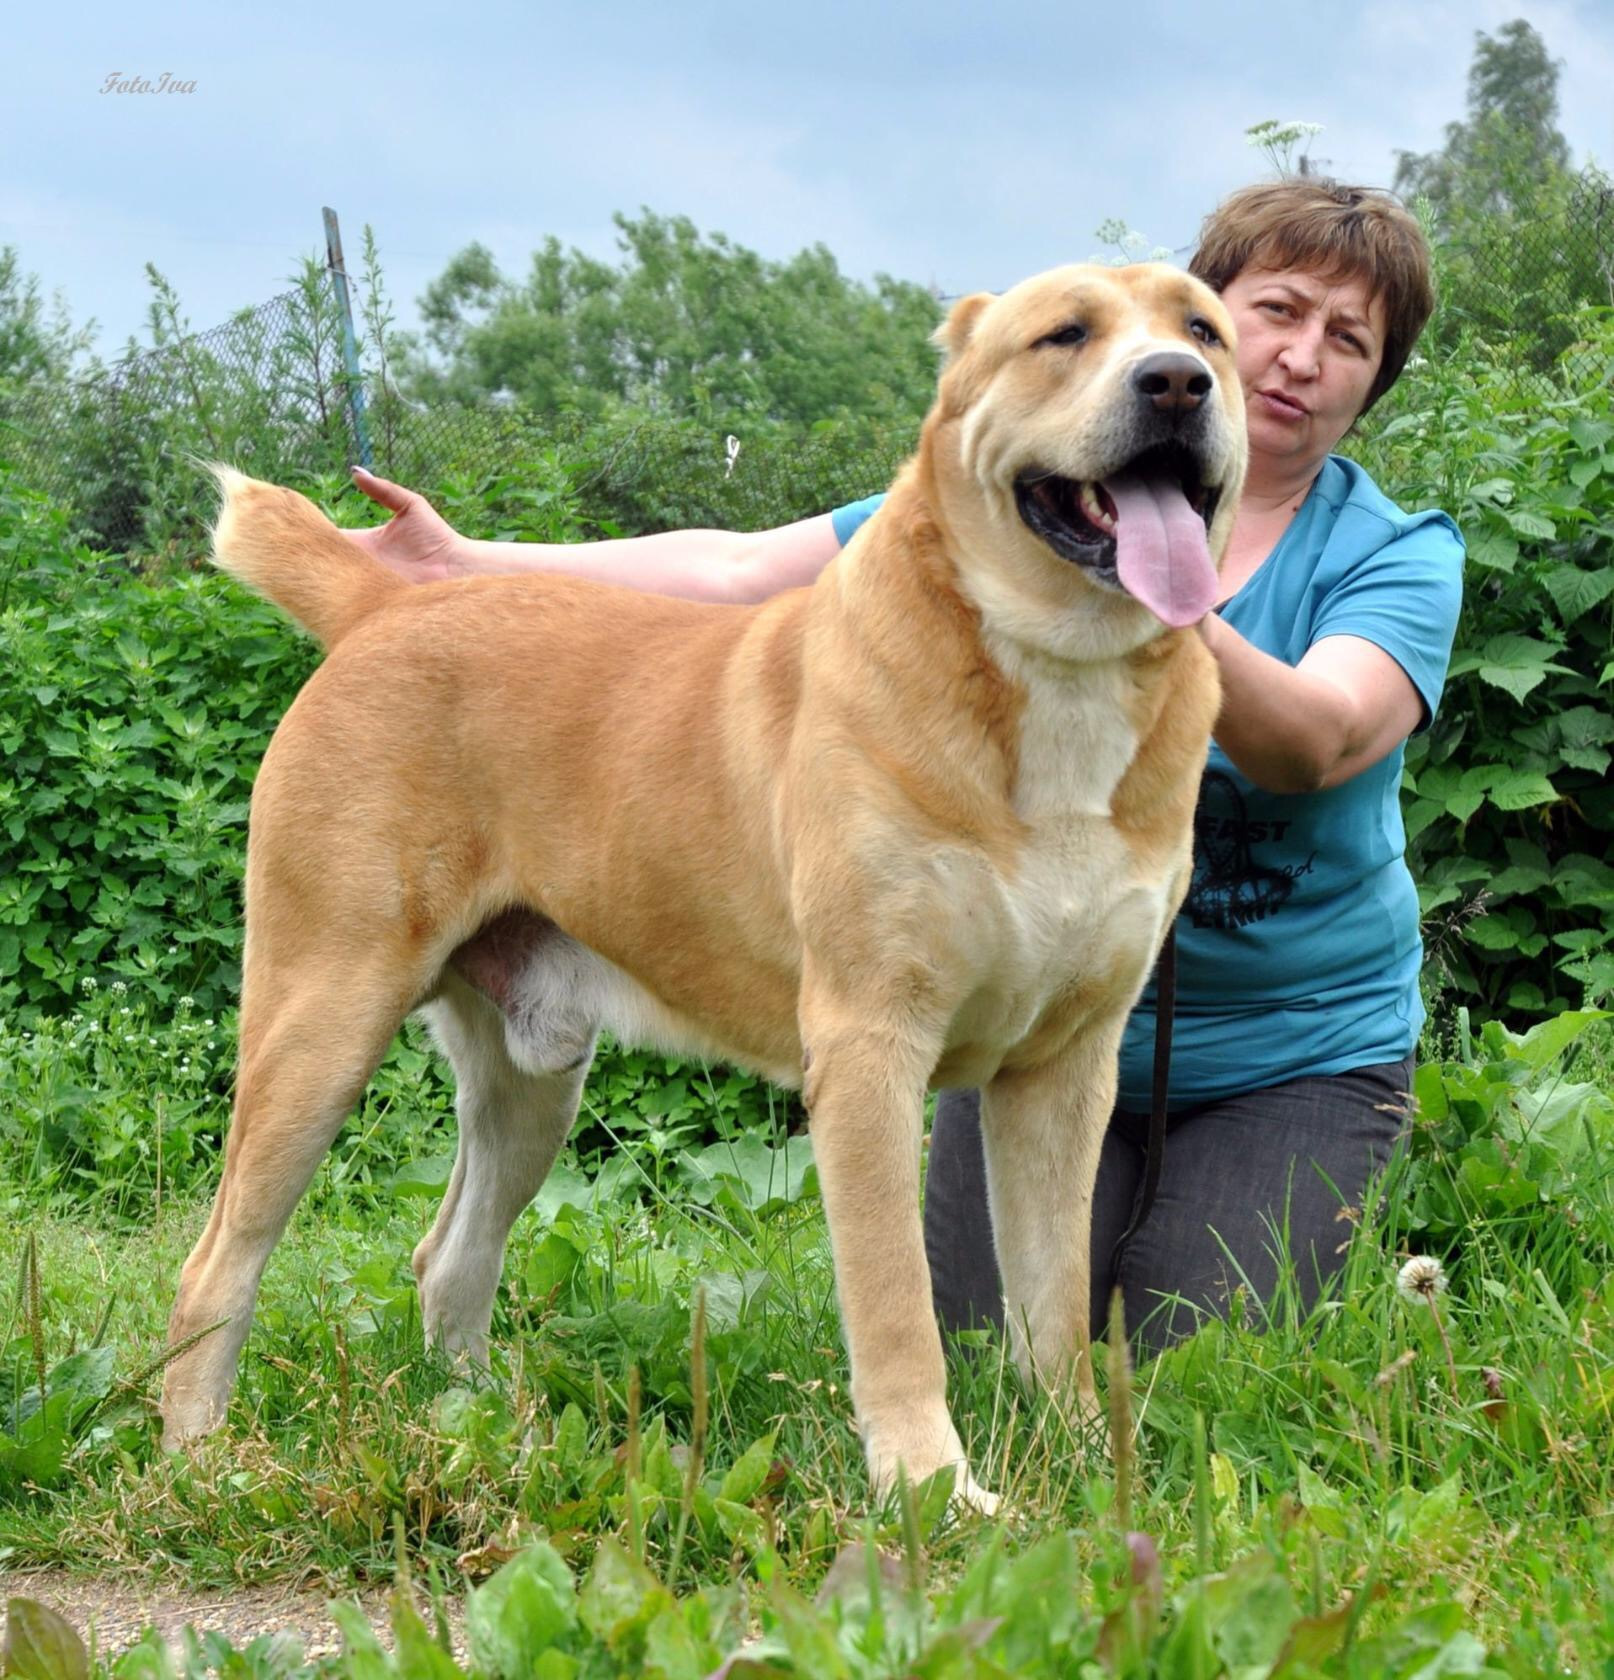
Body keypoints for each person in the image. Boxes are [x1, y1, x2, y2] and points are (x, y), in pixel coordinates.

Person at [343, 177, 1465, 1355]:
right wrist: (466, 562)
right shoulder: (992, 507)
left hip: (1289, 1051)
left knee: (1191, 1349)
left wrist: (1154, 587)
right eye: (1271, 314)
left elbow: (1321, 738)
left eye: (1350, 340)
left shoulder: (1395, 553)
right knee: (987, 1340)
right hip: (1029, 1023)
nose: (1300, 356)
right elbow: (736, 569)